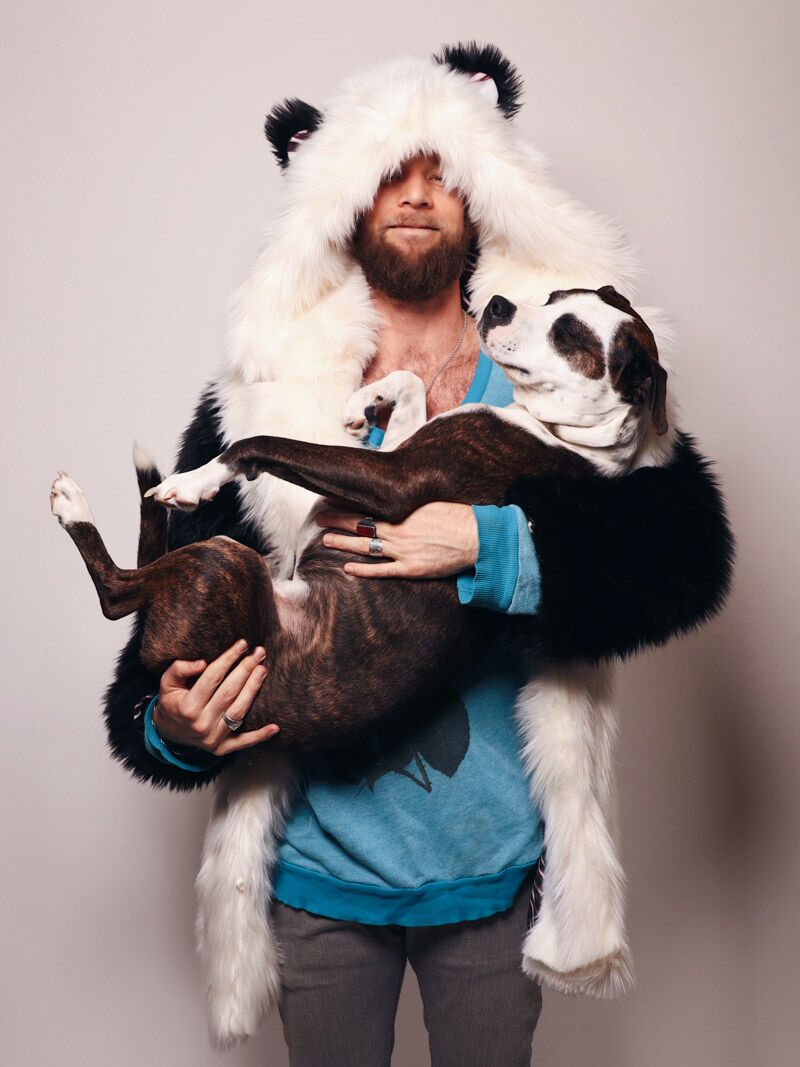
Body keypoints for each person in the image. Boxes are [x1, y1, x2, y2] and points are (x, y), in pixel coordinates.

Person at [102, 45, 732, 1064]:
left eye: (441, 168)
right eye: (388, 169)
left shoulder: (563, 371)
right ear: (340, 200)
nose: (415, 191)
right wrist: (169, 725)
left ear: (483, 194)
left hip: (490, 879)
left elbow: (686, 554)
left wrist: (487, 543)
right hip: (319, 878)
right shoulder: (265, 400)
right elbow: (160, 630)